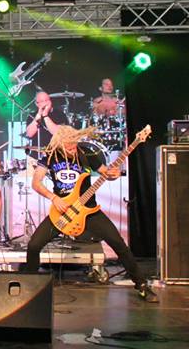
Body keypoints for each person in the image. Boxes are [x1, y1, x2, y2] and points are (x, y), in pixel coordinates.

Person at [23, 125, 157, 303]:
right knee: (34, 245)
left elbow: (105, 172)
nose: (73, 148)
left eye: (74, 144)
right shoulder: (50, 156)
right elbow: (36, 183)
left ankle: (141, 285)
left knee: (118, 243)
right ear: (60, 144)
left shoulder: (86, 153)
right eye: (68, 146)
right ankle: (30, 289)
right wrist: (54, 198)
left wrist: (113, 174)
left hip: (89, 210)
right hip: (64, 212)